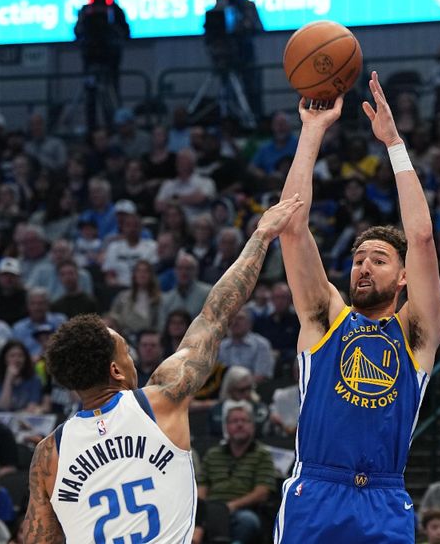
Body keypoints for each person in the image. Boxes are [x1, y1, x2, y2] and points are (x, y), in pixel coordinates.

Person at [20, 196, 302, 541]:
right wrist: (261, 236)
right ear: (116, 371)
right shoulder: (160, 401)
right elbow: (215, 314)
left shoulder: (49, 453)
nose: (133, 357)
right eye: (127, 351)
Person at [273, 72, 440, 543]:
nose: (363, 267)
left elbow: (423, 238)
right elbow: (291, 227)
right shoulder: (325, 316)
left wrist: (393, 144)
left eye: (379, 259)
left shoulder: (416, 332)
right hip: (317, 490)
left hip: (385, 499)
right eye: (358, 259)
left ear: (404, 275)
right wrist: (312, 131)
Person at [196, 401, 276, 543]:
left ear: (252, 425)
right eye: (234, 421)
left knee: (247, 521)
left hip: (241, 511)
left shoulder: (262, 454)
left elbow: (262, 492)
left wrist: (231, 506)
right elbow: (201, 489)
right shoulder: (212, 454)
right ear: (226, 427)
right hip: (212, 510)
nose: (239, 424)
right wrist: (204, 512)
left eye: (244, 421)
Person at [73, 0, 130, 132]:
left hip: (110, 60)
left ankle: (113, 128)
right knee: (90, 96)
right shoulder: (86, 11)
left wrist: (112, 32)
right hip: (91, 58)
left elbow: (126, 32)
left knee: (111, 95)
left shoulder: (115, 11)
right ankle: (91, 130)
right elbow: (77, 32)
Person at [0, 340, 43, 413]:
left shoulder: (34, 380)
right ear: (4, 359)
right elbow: (2, 408)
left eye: (20, 356)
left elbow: (32, 407)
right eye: (12, 356)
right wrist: (8, 379)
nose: (16, 359)